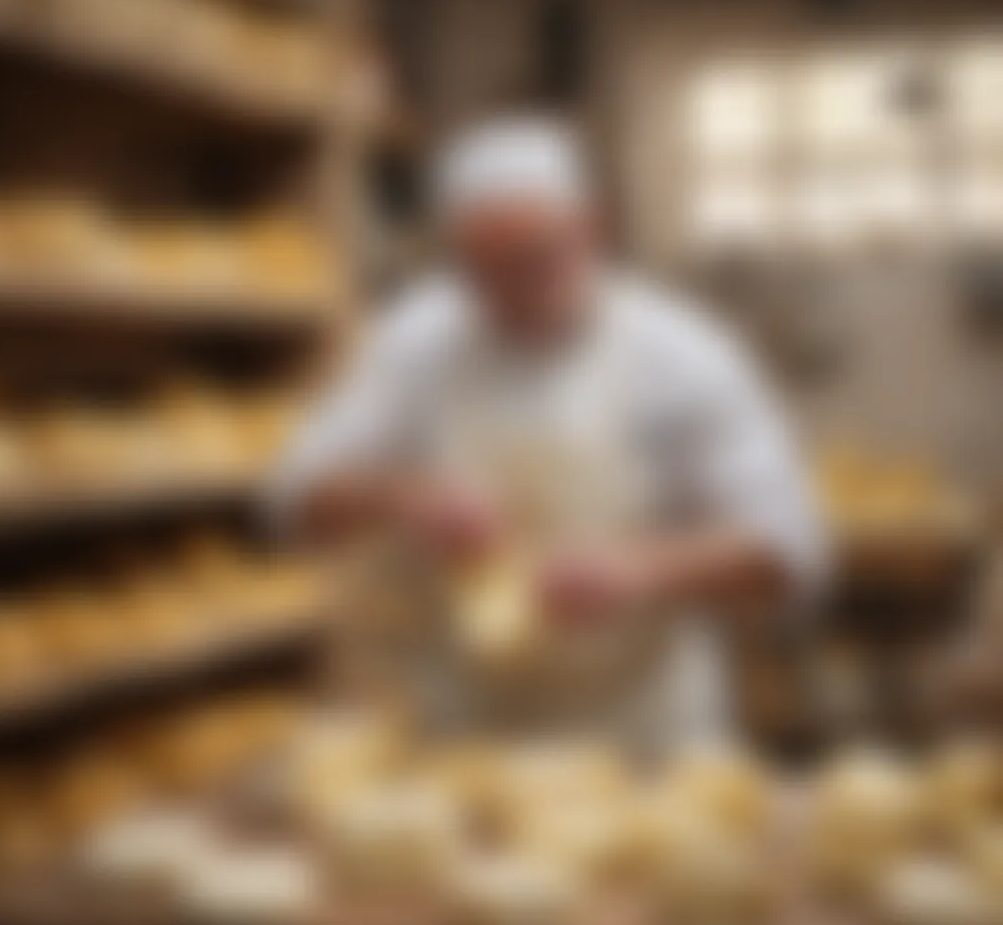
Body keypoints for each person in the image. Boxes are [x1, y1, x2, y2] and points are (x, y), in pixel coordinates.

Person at [271, 117, 825, 749]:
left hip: (644, 737)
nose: (515, 289)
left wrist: (642, 572)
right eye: (487, 270)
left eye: (536, 259)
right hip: (469, 734)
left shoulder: (684, 355)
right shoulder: (417, 345)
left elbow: (788, 553)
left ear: (592, 230)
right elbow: (297, 501)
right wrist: (405, 497)